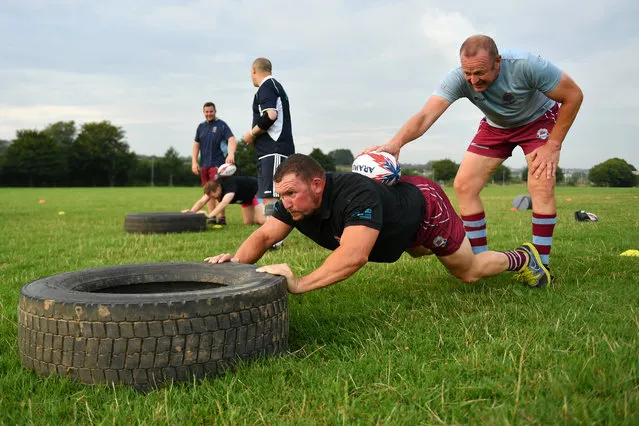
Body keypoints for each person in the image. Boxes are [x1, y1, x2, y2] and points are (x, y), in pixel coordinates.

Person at [365, 35, 583, 277]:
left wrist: (553, 145)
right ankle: (478, 260)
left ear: (497, 61)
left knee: (541, 185)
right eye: (468, 73)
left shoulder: (526, 65)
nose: (473, 80)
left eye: (480, 73)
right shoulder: (459, 77)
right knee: (464, 185)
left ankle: (540, 265)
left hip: (538, 120)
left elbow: (573, 96)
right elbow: (426, 114)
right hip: (496, 126)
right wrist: (396, 143)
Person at [204, 154, 550, 294]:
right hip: (395, 222)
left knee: (468, 271)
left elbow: (353, 255)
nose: (286, 202)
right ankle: (414, 244)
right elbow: (264, 235)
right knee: (413, 253)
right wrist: (234, 267)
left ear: (317, 185)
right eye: (282, 195)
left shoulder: (355, 195)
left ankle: (523, 257)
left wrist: (299, 283)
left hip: (426, 211)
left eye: (292, 193)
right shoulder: (294, 206)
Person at [241, 58, 295, 232]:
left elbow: (270, 116)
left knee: (271, 196)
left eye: (251, 73)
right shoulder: (275, 86)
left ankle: (273, 238)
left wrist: (251, 134)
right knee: (271, 196)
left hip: (274, 150)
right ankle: (274, 234)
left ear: (254, 71)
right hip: (272, 150)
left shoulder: (267, 87)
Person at [191, 101, 237, 225]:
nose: (209, 114)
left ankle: (221, 218)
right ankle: (212, 218)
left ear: (215, 112)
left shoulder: (222, 125)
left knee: (217, 191)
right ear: (203, 112)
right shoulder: (201, 127)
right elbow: (196, 145)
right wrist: (194, 162)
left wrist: (231, 154)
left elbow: (232, 139)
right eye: (206, 112)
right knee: (208, 192)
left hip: (218, 165)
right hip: (204, 165)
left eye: (211, 111)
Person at [182, 177, 265, 225]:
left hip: (257, 191)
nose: (213, 197)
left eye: (213, 195)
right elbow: (202, 201)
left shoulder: (229, 187)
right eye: (210, 196)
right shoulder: (213, 189)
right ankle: (260, 215)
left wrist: (209, 215)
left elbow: (223, 203)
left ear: (218, 188)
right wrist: (191, 212)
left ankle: (271, 219)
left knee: (262, 220)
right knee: (248, 222)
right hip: (246, 199)